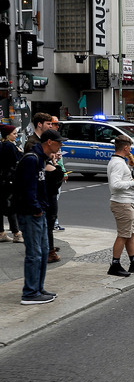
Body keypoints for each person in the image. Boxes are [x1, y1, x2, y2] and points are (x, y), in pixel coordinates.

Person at [13, 129, 65, 305]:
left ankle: (38, 288)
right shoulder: (31, 159)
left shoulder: (40, 159)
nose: (61, 146)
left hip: (38, 212)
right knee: (35, 253)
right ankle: (30, 292)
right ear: (49, 142)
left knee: (42, 252)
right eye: (58, 142)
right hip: (30, 213)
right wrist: (36, 208)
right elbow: (27, 187)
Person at [107, 135, 134, 277]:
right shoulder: (118, 164)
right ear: (125, 148)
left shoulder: (120, 162)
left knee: (131, 233)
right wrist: (133, 182)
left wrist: (132, 177)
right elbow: (115, 184)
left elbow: (121, 182)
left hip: (126, 201)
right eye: (130, 147)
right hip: (122, 203)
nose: (130, 150)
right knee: (123, 235)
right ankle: (115, 264)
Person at [0, 124, 23, 244]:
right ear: (8, 135)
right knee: (11, 207)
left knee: (3, 205)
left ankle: (2, 233)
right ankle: (16, 233)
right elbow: (17, 160)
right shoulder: (9, 146)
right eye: (14, 133)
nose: (16, 135)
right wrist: (19, 152)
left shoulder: (2, 144)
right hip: (9, 180)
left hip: (3, 179)